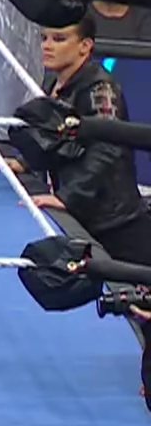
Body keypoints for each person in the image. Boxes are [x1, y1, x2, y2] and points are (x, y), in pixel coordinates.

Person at [20, 16, 151, 266]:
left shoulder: (100, 89)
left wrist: (68, 197)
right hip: (87, 216)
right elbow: (56, 139)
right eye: (44, 38)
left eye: (59, 39)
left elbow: (108, 147)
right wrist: (24, 162)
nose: (47, 46)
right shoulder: (53, 82)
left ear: (85, 46)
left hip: (115, 224)